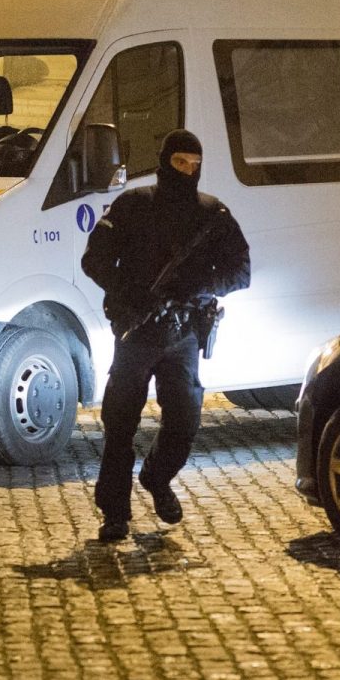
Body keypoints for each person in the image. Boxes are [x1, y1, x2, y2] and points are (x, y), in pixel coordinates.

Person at [81, 129, 250, 542]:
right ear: (164, 162)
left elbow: (241, 272)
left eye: (195, 165)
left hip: (184, 336)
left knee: (185, 421)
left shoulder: (213, 214)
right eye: (180, 163)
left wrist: (202, 282)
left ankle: (157, 478)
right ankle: (115, 513)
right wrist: (128, 291)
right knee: (120, 424)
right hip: (138, 331)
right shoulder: (135, 205)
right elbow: (95, 259)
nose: (188, 171)